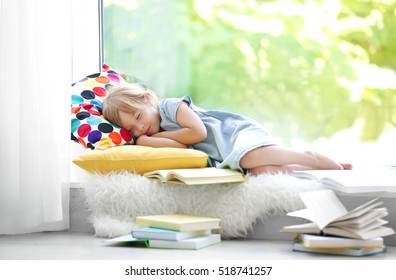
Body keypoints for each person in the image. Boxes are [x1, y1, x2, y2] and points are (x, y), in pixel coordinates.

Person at [102, 83, 352, 175]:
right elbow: (181, 146)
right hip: (225, 155)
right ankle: (311, 171)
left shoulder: (169, 107)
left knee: (251, 156)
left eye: (138, 117)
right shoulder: (151, 134)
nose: (140, 127)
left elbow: (197, 133)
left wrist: (154, 137)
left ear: (147, 99)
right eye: (131, 128)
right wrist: (144, 142)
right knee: (262, 170)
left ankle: (312, 158)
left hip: (235, 134)